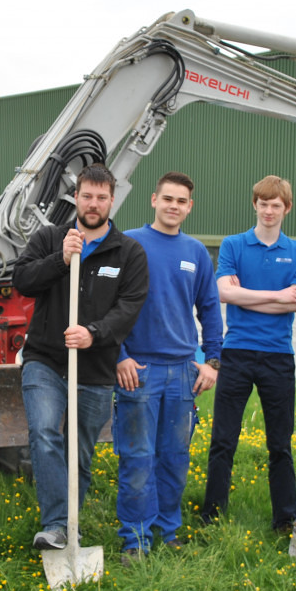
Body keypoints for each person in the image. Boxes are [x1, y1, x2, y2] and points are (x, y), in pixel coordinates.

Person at [13, 164, 149, 551]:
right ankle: (56, 525)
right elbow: (22, 280)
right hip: (45, 361)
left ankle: (70, 522)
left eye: (101, 198)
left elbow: (129, 307)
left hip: (96, 368)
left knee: (81, 452)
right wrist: (61, 260)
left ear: (112, 200)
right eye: (86, 196)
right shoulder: (50, 238)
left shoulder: (128, 253)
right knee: (44, 433)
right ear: (76, 197)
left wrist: (94, 334)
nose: (93, 204)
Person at [114, 172, 223, 563]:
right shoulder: (128, 244)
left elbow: (210, 308)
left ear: (189, 207)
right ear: (153, 200)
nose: (173, 206)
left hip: (182, 371)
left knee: (175, 458)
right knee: (138, 459)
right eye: (168, 199)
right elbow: (107, 305)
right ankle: (135, 539)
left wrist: (212, 361)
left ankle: (167, 530)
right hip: (139, 370)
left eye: (181, 201)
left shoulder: (196, 252)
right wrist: (119, 356)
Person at [201, 175, 296, 532]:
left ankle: (285, 520)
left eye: (275, 205)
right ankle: (212, 515)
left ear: (286, 208)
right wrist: (279, 295)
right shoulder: (233, 245)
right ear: (255, 205)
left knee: (280, 444)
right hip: (237, 352)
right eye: (263, 204)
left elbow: (295, 304)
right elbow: (224, 294)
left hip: (278, 356)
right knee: (223, 440)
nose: (268, 211)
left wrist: (246, 295)